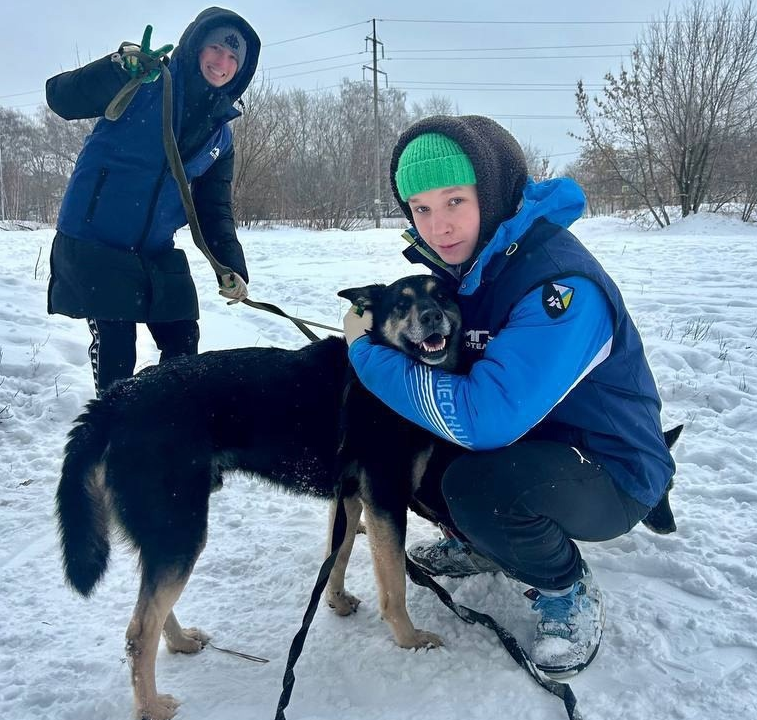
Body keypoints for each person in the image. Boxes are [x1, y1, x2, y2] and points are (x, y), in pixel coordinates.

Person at [342, 115, 676, 676]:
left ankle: (565, 591)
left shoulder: (558, 285)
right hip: (540, 443)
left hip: (611, 466)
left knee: (477, 482)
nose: (438, 225)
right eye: (420, 209)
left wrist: (365, 352)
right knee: (414, 456)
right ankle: (482, 542)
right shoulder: (477, 267)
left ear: (491, 194)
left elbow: (484, 418)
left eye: (454, 201)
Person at [46, 8, 260, 396]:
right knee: (117, 351)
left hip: (155, 248)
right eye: (215, 48)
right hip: (94, 240)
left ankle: (168, 428)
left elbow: (214, 210)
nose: (222, 63)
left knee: (183, 340)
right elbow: (61, 97)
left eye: (234, 58)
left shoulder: (220, 136)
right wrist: (117, 69)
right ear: (196, 47)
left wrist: (230, 265)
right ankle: (110, 439)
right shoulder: (143, 81)